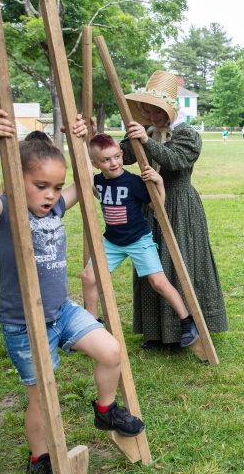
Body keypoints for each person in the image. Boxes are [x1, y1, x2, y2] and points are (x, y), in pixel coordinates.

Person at [0, 111, 144, 474]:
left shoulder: (58, 206)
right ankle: (40, 457)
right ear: (18, 181)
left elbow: (84, 182)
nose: (50, 195)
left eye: (55, 186)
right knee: (43, 397)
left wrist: (81, 143)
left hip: (61, 311)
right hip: (25, 323)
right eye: (41, 185)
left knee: (111, 351)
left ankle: (105, 409)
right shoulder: (5, 213)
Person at [121, 70, 229, 349]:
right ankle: (156, 332)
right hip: (150, 204)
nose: (152, 117)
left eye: (157, 112)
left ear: (169, 110)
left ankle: (187, 326)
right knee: (152, 264)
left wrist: (147, 142)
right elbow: (123, 156)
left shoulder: (188, 135)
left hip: (179, 204)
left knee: (178, 260)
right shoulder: (146, 131)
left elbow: (175, 160)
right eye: (147, 111)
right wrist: (118, 139)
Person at [80, 133, 199, 348]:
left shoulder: (134, 182)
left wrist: (160, 183)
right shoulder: (98, 182)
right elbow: (86, 176)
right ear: (96, 163)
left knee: (158, 282)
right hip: (113, 242)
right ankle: (91, 325)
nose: (114, 163)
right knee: (89, 277)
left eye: (116, 156)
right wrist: (81, 141)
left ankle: (187, 322)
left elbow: (157, 208)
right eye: (106, 160)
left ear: (122, 154)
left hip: (138, 240)